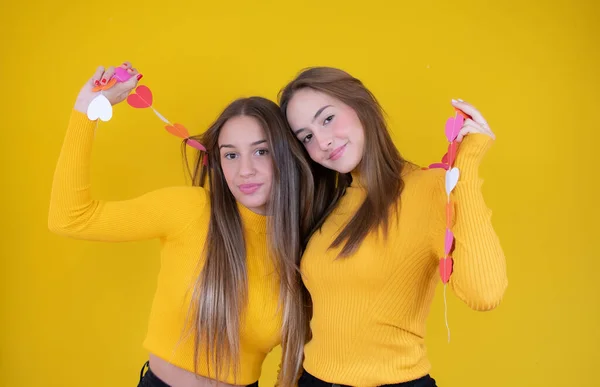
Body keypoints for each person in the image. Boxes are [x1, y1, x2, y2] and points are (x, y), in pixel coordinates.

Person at [48, 62, 314, 387]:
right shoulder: (191, 209)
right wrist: (85, 112)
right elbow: (69, 218)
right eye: (231, 155)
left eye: (261, 152)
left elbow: (298, 360)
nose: (245, 170)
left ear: (287, 157)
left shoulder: (304, 243)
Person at [278, 67, 508, 387]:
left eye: (327, 119)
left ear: (360, 105)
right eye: (306, 136)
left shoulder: (429, 189)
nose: (323, 141)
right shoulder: (328, 204)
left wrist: (465, 166)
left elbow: (484, 293)